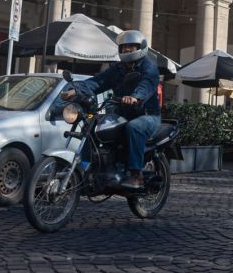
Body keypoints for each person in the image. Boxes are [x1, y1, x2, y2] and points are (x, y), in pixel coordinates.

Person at [60, 29, 160, 190]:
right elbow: (98, 81)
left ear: (140, 47)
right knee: (92, 126)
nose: (127, 50)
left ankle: (136, 175)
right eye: (124, 47)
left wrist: (135, 96)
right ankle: (91, 169)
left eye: (131, 47)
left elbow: (147, 83)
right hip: (121, 114)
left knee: (134, 127)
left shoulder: (149, 67)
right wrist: (76, 90)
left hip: (147, 116)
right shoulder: (118, 68)